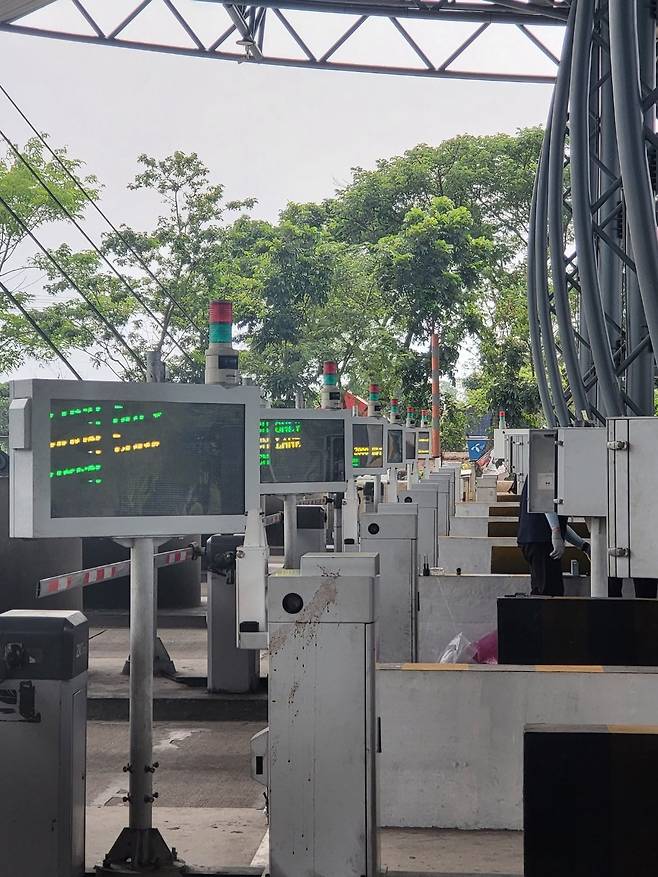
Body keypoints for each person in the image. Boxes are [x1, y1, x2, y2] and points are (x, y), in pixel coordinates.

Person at [517, 478, 590, 596]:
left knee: (543, 591)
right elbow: (545, 498)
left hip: (534, 541)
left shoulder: (540, 469)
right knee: (549, 595)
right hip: (542, 543)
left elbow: (557, 525)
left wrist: (583, 546)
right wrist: (555, 532)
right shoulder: (548, 467)